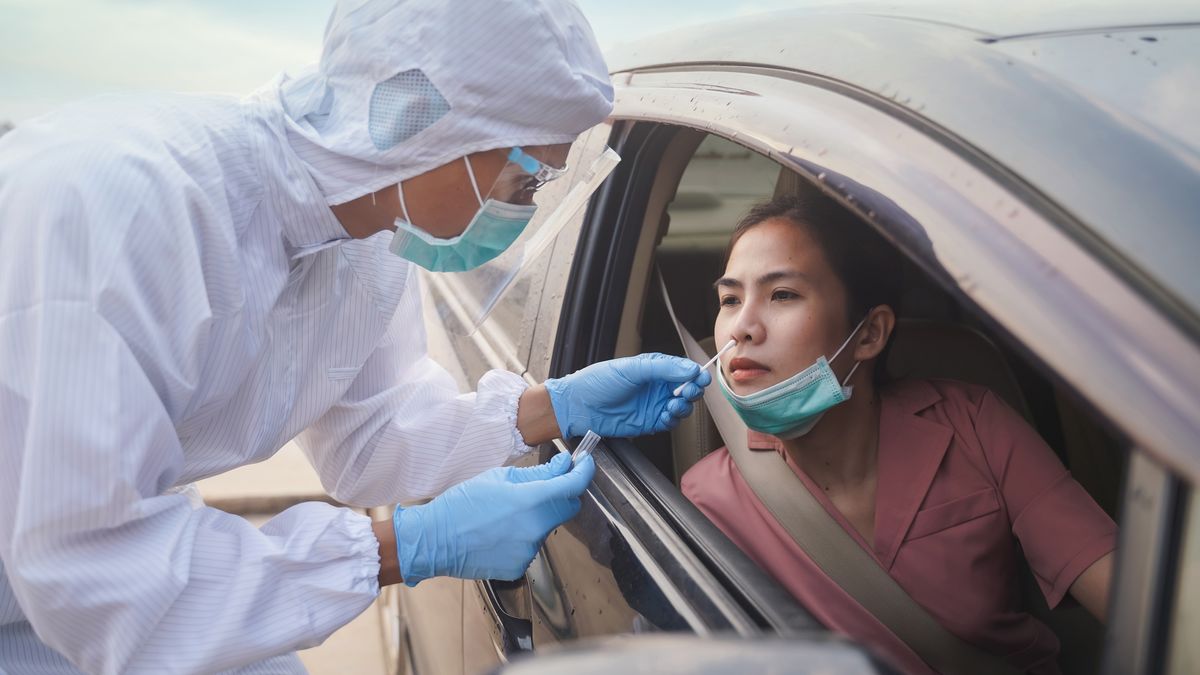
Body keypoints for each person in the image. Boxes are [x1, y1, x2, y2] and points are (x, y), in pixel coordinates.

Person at [0, 1, 711, 673]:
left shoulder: (370, 236)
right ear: (421, 118)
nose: (527, 205)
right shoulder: (120, 209)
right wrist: (407, 546)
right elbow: (92, 571)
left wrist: (550, 407)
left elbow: (371, 438)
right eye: (525, 176)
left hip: (92, 565)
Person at [681, 193, 1116, 675]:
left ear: (869, 334)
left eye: (782, 294)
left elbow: (1123, 591)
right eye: (730, 299)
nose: (740, 328)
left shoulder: (974, 425)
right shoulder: (706, 500)